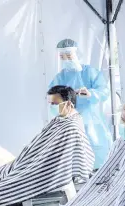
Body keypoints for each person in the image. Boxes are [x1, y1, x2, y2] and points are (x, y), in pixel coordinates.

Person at [50, 38, 112, 169]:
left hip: (92, 119)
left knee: (96, 145)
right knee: (73, 150)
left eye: (69, 55)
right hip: (70, 120)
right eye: (62, 56)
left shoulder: (90, 72)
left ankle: (99, 174)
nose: (66, 59)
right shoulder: (60, 77)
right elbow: (52, 99)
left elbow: (104, 91)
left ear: (77, 54)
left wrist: (90, 93)